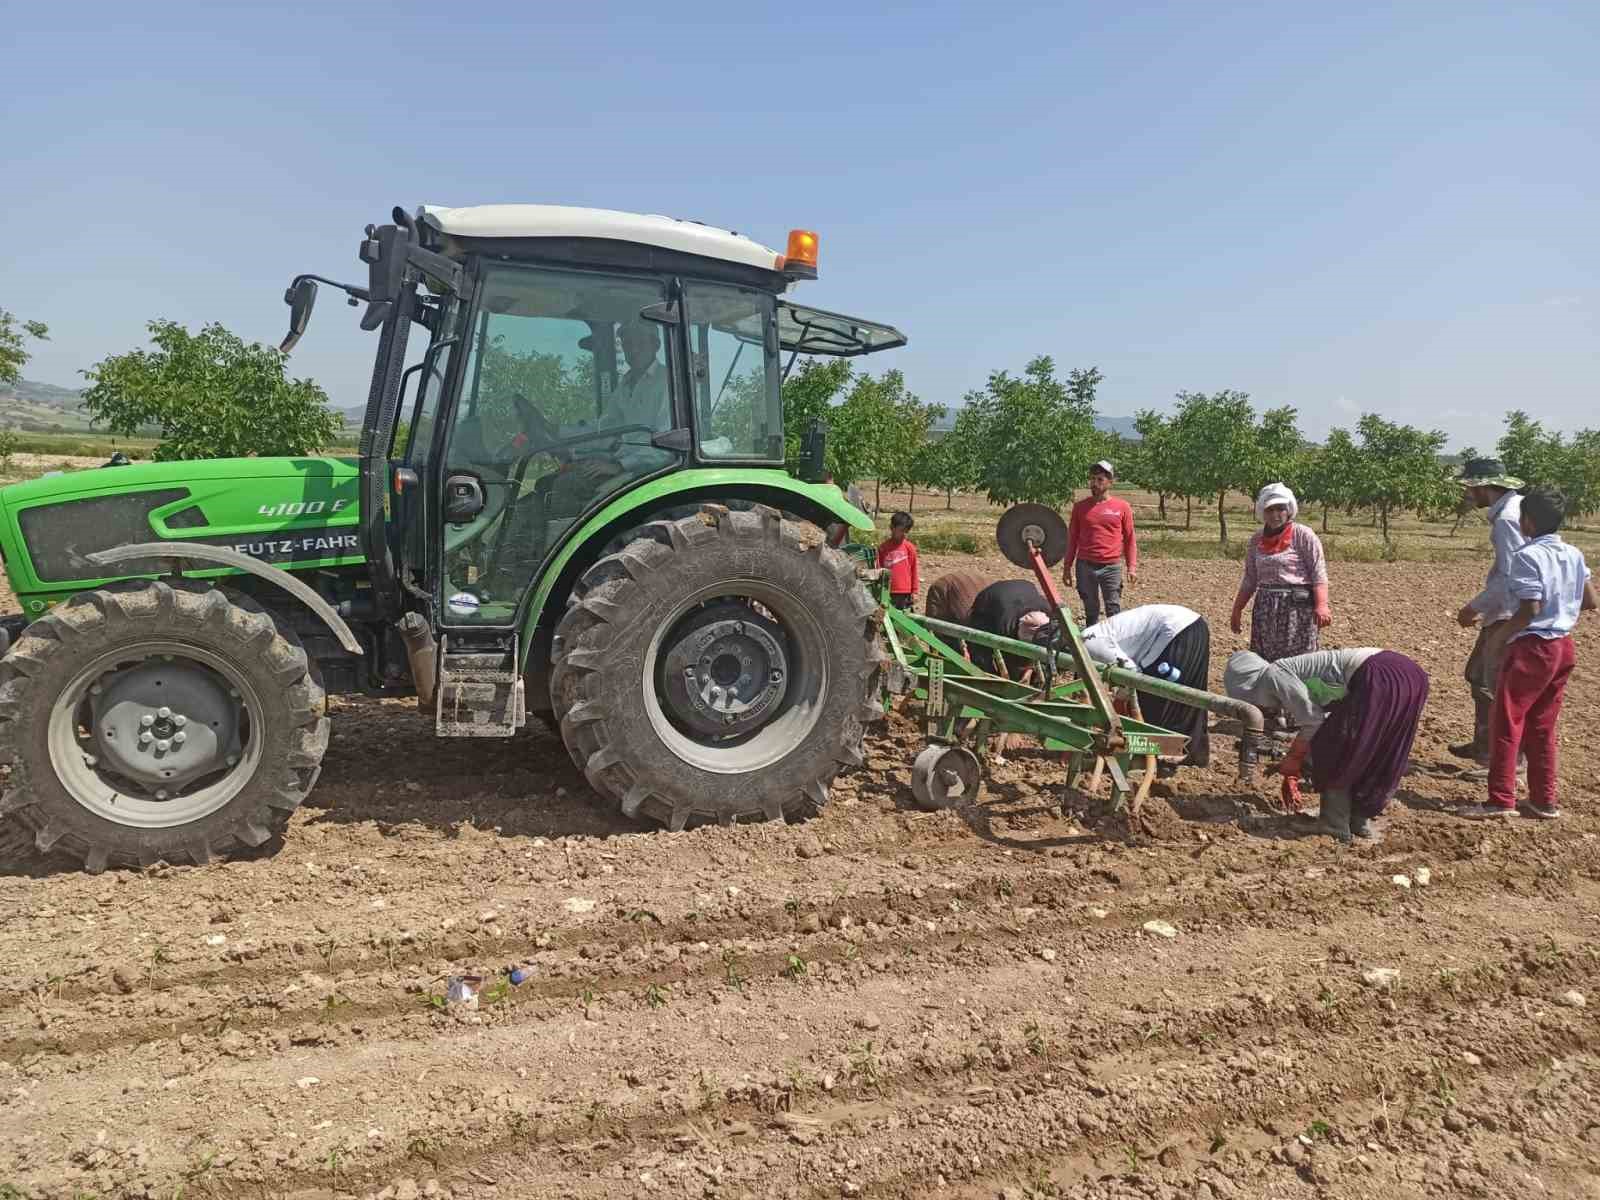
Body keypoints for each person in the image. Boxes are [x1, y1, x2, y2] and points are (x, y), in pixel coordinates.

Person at [1459, 488, 1596, 820]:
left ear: (1528, 521)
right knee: (1542, 727)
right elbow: (1591, 601)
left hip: (1532, 647)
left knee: (1507, 722)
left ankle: (1500, 799)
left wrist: (1503, 637)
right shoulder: (1574, 553)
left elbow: (1530, 609)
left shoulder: (1527, 556)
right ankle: (1543, 800)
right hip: (1563, 646)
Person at [1224, 648, 1428, 841]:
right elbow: (1326, 719)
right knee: (1372, 748)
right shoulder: (1292, 672)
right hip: (1411, 677)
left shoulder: (1274, 675)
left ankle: (1334, 823)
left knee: (1333, 746)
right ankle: (1357, 819)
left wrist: (1294, 760)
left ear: (1246, 686)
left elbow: (1313, 721)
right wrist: (1298, 765)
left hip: (1379, 675)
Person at [1450, 458, 1527, 770]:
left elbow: (1511, 576)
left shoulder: (1507, 520)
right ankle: (1486, 745)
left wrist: (1474, 607)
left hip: (1509, 613)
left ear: (1484, 487)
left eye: (1471, 488)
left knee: (1490, 682)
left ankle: (1502, 758)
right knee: (1480, 676)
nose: (1469, 494)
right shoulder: (1518, 508)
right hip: (1511, 610)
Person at [1081, 604, 1211, 766]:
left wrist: (1120, 700)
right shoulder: (1094, 635)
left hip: (1174, 631)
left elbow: (1130, 672)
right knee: (1188, 691)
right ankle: (1194, 752)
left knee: (1155, 693)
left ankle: (1163, 754)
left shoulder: (1088, 643)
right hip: (1193, 624)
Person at [1231, 483, 1331, 663]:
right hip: (1265, 609)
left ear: (1289, 510)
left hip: (1296, 609)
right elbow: (1250, 578)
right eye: (1270, 510)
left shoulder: (1303, 535)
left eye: (1281, 509)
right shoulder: (1256, 540)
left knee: (1299, 662)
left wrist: (1322, 605)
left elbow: (1318, 573)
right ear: (1263, 512)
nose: (1276, 514)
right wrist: (1237, 609)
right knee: (1265, 661)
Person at [1063, 460, 1137, 626]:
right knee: (1090, 610)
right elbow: (1072, 538)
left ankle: (1113, 645)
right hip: (1085, 566)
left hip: (1111, 567)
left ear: (1110, 482)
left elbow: (1130, 538)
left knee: (1113, 609)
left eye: (1100, 480)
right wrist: (1067, 567)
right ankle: (1092, 645)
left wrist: (1132, 567)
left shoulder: (1122, 507)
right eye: (1092, 479)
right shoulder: (1080, 507)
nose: (1094, 483)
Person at [967, 579, 1052, 680]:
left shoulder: (1049, 612)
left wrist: (1031, 667)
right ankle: (987, 678)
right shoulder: (1005, 626)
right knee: (981, 648)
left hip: (1021, 588)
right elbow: (1010, 656)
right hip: (989, 600)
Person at [877, 512, 919, 610]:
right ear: (892, 527)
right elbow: (879, 569)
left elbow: (914, 570)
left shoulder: (910, 548)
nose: (904, 534)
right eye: (901, 530)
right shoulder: (883, 548)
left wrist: (915, 591)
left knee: (905, 619)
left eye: (906, 531)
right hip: (887, 592)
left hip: (905, 593)